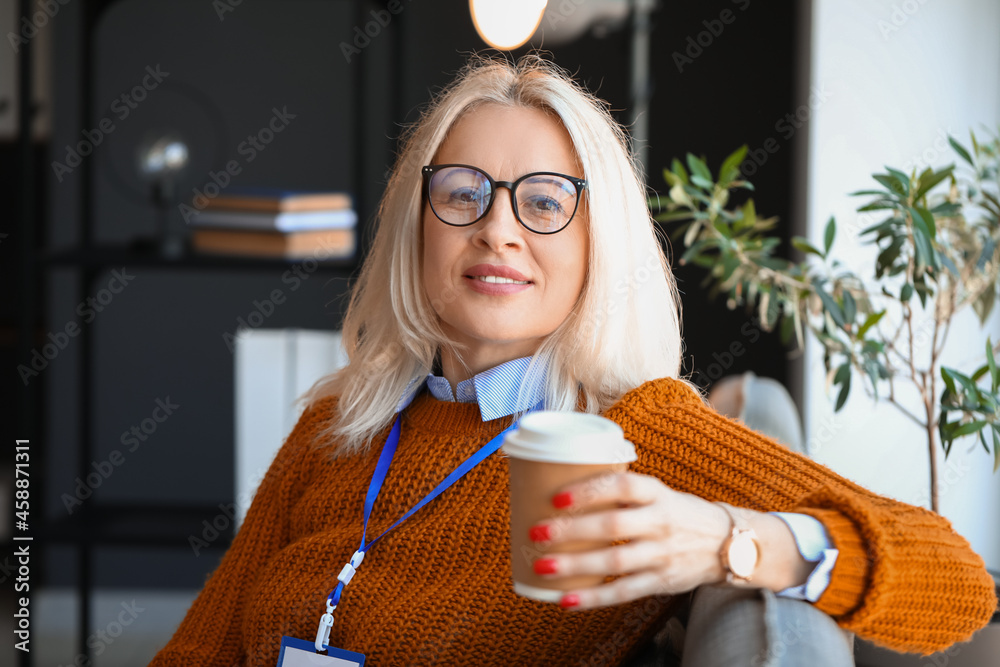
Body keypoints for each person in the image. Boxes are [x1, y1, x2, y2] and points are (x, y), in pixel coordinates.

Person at [150, 55, 997, 667]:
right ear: (418, 223)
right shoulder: (341, 420)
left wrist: (730, 544)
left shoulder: (636, 430)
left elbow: (955, 580)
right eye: (462, 193)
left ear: (600, 245)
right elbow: (204, 644)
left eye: (546, 202)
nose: (499, 228)